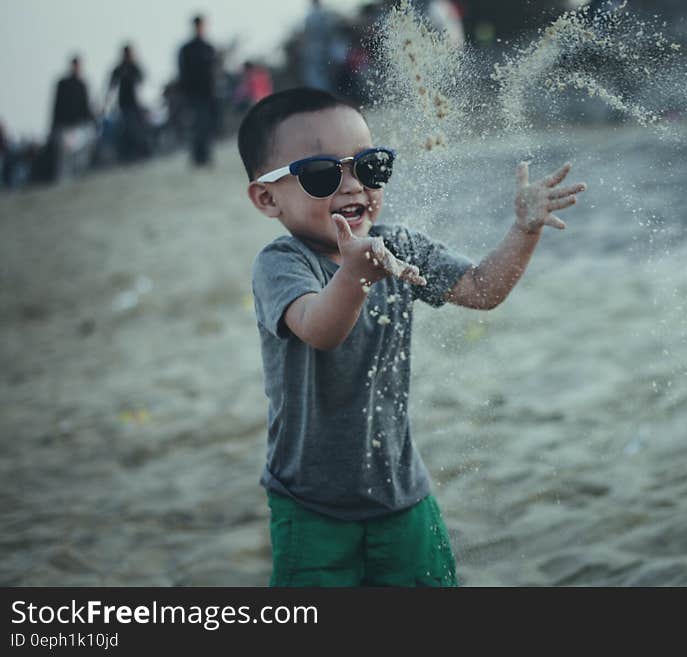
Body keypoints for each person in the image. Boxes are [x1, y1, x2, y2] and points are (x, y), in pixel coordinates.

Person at [238, 88, 586, 586]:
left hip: (401, 492)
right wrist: (356, 274)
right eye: (322, 174)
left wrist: (524, 230)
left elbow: (481, 289)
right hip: (309, 504)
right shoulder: (282, 264)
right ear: (267, 197)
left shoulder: (395, 246)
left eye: (369, 166)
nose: (354, 186)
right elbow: (320, 330)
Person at [178, 14, 217, 166]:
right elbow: (183, 73)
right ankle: (198, 158)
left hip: (208, 93)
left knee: (207, 126)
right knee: (198, 126)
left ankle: (205, 156)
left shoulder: (208, 48)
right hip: (194, 94)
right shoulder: (187, 49)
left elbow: (214, 71)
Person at [50, 56, 96, 180]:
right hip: (66, 128)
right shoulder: (63, 84)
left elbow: (86, 108)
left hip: (79, 127)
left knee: (80, 158)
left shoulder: (82, 84)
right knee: (65, 160)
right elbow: (56, 106)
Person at [106, 44, 151, 161]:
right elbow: (111, 86)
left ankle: (138, 153)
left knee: (137, 129)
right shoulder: (119, 69)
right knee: (128, 129)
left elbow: (143, 80)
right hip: (124, 104)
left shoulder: (135, 67)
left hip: (135, 104)